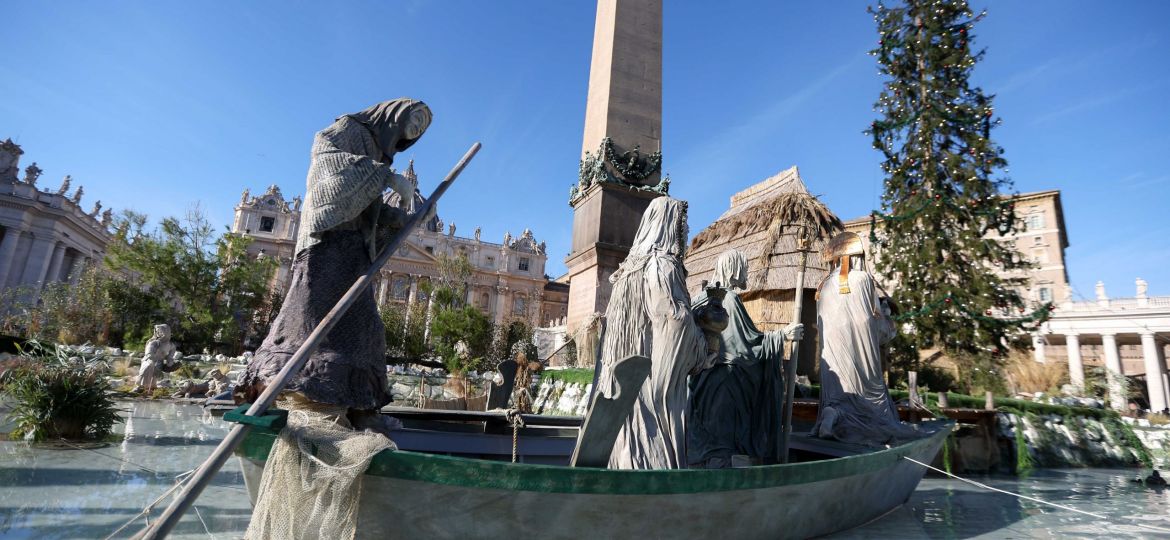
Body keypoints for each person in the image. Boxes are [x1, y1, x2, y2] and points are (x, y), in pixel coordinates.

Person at [237, 98, 433, 436]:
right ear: (394, 114)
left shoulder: (378, 152)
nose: (413, 130)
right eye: (413, 120)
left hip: (354, 247)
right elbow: (325, 161)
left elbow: (368, 210)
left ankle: (361, 408)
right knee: (308, 320)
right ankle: (280, 391)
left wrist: (409, 218)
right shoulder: (348, 129)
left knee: (365, 330)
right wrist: (385, 177)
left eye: (420, 130)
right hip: (326, 243)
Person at [595, 196, 716, 469]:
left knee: (625, 441)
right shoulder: (662, 265)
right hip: (647, 381)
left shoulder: (626, 271)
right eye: (681, 226)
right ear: (670, 225)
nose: (684, 233)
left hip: (618, 380)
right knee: (650, 448)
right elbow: (674, 319)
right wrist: (701, 349)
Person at [687, 249, 802, 468]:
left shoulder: (701, 297)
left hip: (702, 380)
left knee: (708, 437)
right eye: (744, 267)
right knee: (723, 441)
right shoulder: (728, 299)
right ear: (734, 269)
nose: (747, 271)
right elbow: (746, 346)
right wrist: (783, 335)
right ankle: (724, 488)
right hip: (726, 383)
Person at [812, 232, 918, 446]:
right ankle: (878, 423)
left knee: (838, 390)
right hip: (859, 349)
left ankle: (832, 413)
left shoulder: (823, 287)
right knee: (870, 393)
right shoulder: (863, 279)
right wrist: (888, 318)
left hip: (832, 352)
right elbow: (875, 323)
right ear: (858, 257)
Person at [134, 324, 177, 393]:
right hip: (149, 361)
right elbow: (149, 353)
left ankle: (152, 387)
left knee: (154, 376)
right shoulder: (154, 343)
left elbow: (170, 357)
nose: (159, 333)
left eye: (160, 331)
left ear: (167, 332)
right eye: (157, 331)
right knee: (148, 367)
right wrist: (151, 360)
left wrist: (170, 362)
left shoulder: (171, 346)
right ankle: (140, 386)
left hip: (159, 362)